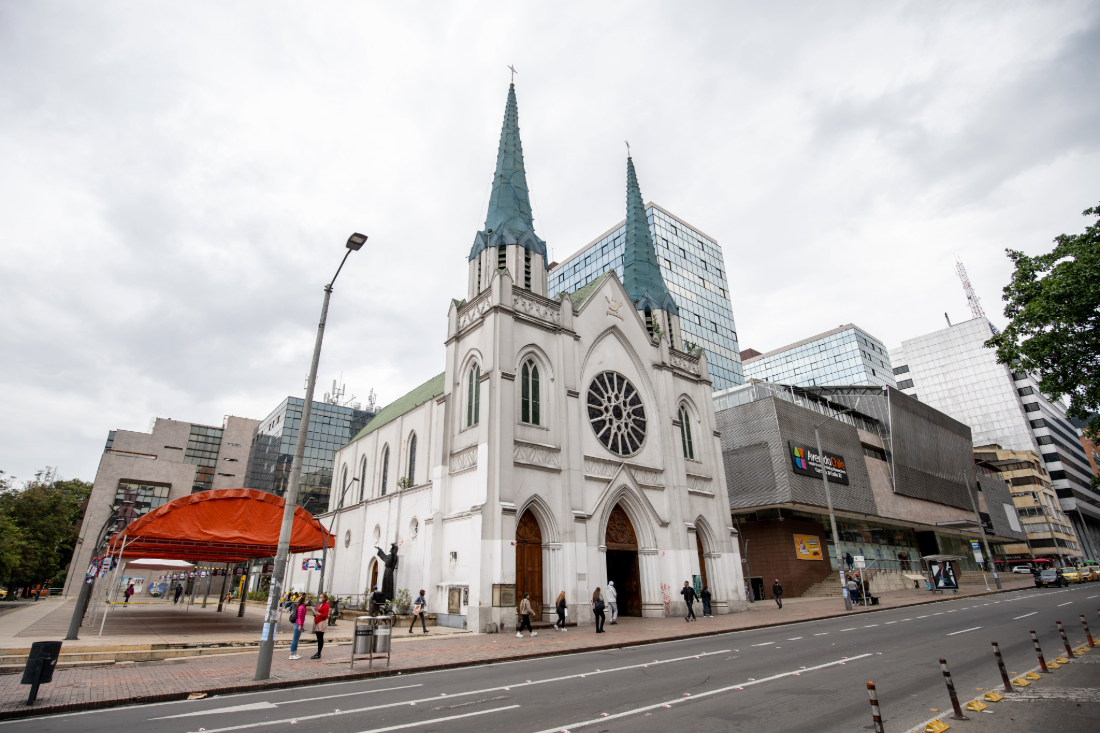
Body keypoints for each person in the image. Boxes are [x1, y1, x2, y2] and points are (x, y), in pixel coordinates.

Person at [311, 593, 329, 659]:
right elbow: (318, 612)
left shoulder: (326, 605)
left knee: (320, 637)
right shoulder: (319, 604)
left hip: (322, 621)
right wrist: (315, 614)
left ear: (324, 598)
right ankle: (318, 652)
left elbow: (326, 615)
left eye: (321, 597)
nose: (320, 598)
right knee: (318, 637)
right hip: (317, 621)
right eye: (320, 597)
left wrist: (319, 614)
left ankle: (319, 653)